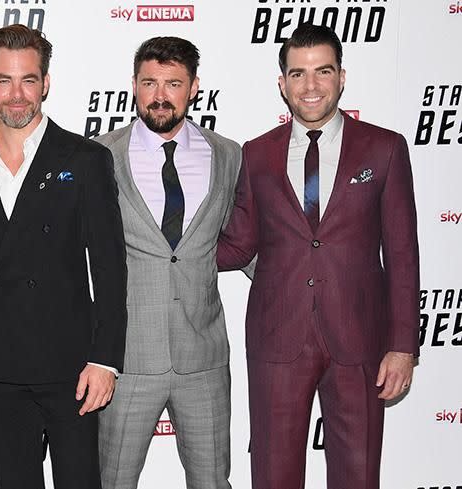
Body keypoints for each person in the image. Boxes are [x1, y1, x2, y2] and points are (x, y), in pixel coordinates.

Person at [217, 23, 419, 489]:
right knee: (274, 476)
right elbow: (240, 244)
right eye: (298, 73)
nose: (311, 86)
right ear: (282, 83)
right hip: (277, 337)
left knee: (358, 474)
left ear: (341, 77)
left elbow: (403, 255)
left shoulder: (385, 148)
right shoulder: (256, 154)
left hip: (361, 340)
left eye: (322, 71)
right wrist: (174, 251)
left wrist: (403, 345)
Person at [0, 24, 128, 489]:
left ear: (45, 83)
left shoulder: (84, 158)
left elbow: (109, 267)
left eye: (28, 79)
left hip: (71, 365)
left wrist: (105, 359)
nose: (16, 94)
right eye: (4, 80)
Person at [94, 36, 240, 489]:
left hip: (204, 356)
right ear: (133, 86)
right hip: (127, 359)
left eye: (173, 83)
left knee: (213, 482)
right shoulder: (99, 155)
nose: (160, 95)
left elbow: (249, 240)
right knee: (112, 481)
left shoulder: (228, 155)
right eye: (150, 82)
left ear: (194, 87)